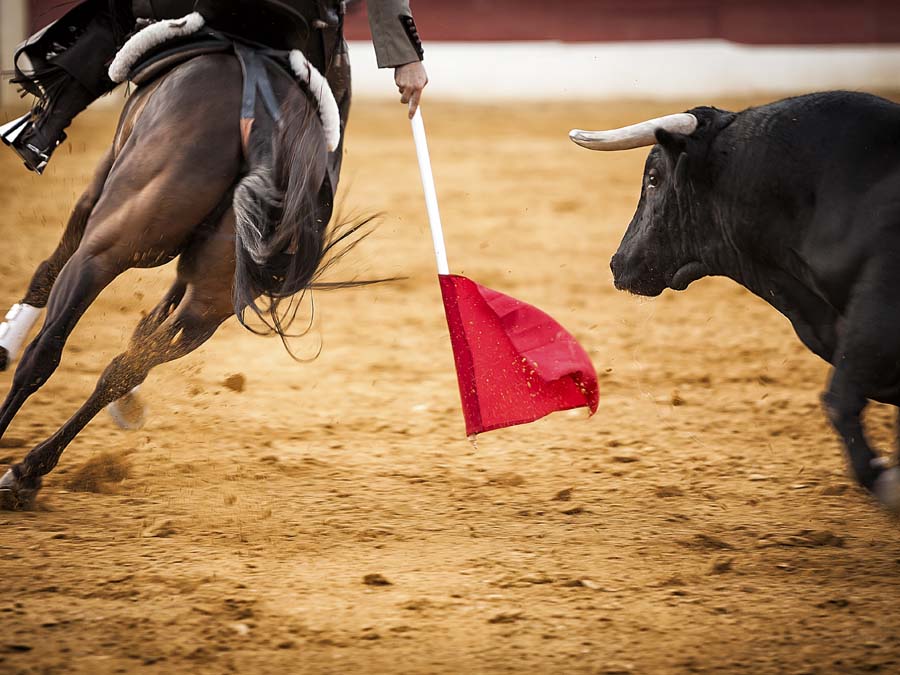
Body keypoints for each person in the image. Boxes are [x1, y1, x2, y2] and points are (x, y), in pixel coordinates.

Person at [1, 0, 428, 174]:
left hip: (211, 2)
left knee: (124, 7)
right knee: (331, 85)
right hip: (294, 16)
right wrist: (406, 57)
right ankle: (307, 210)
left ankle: (45, 128)